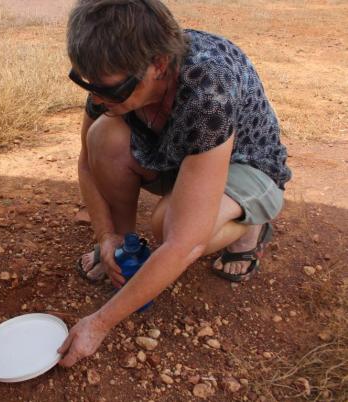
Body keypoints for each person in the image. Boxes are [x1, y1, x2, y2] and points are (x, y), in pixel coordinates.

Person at [57, 0, 291, 367]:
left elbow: (185, 243)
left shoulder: (208, 90)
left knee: (169, 227)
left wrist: (100, 323)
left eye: (110, 90)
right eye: (87, 84)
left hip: (247, 164)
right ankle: (126, 250)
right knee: (102, 137)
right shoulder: (112, 72)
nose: (97, 98)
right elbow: (88, 163)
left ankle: (251, 226)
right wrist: (106, 236)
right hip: (182, 156)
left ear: (159, 65)